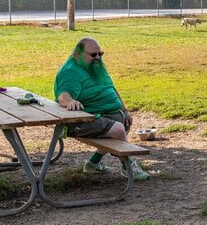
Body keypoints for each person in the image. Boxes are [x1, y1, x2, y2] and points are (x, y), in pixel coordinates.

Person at [54, 37, 149, 180]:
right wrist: (70, 102)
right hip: (80, 119)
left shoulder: (95, 67)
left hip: (101, 114)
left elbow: (110, 88)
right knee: (117, 129)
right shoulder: (71, 71)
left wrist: (124, 111)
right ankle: (128, 167)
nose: (98, 57)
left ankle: (93, 163)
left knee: (122, 123)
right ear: (78, 55)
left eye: (100, 54)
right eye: (93, 55)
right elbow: (63, 95)